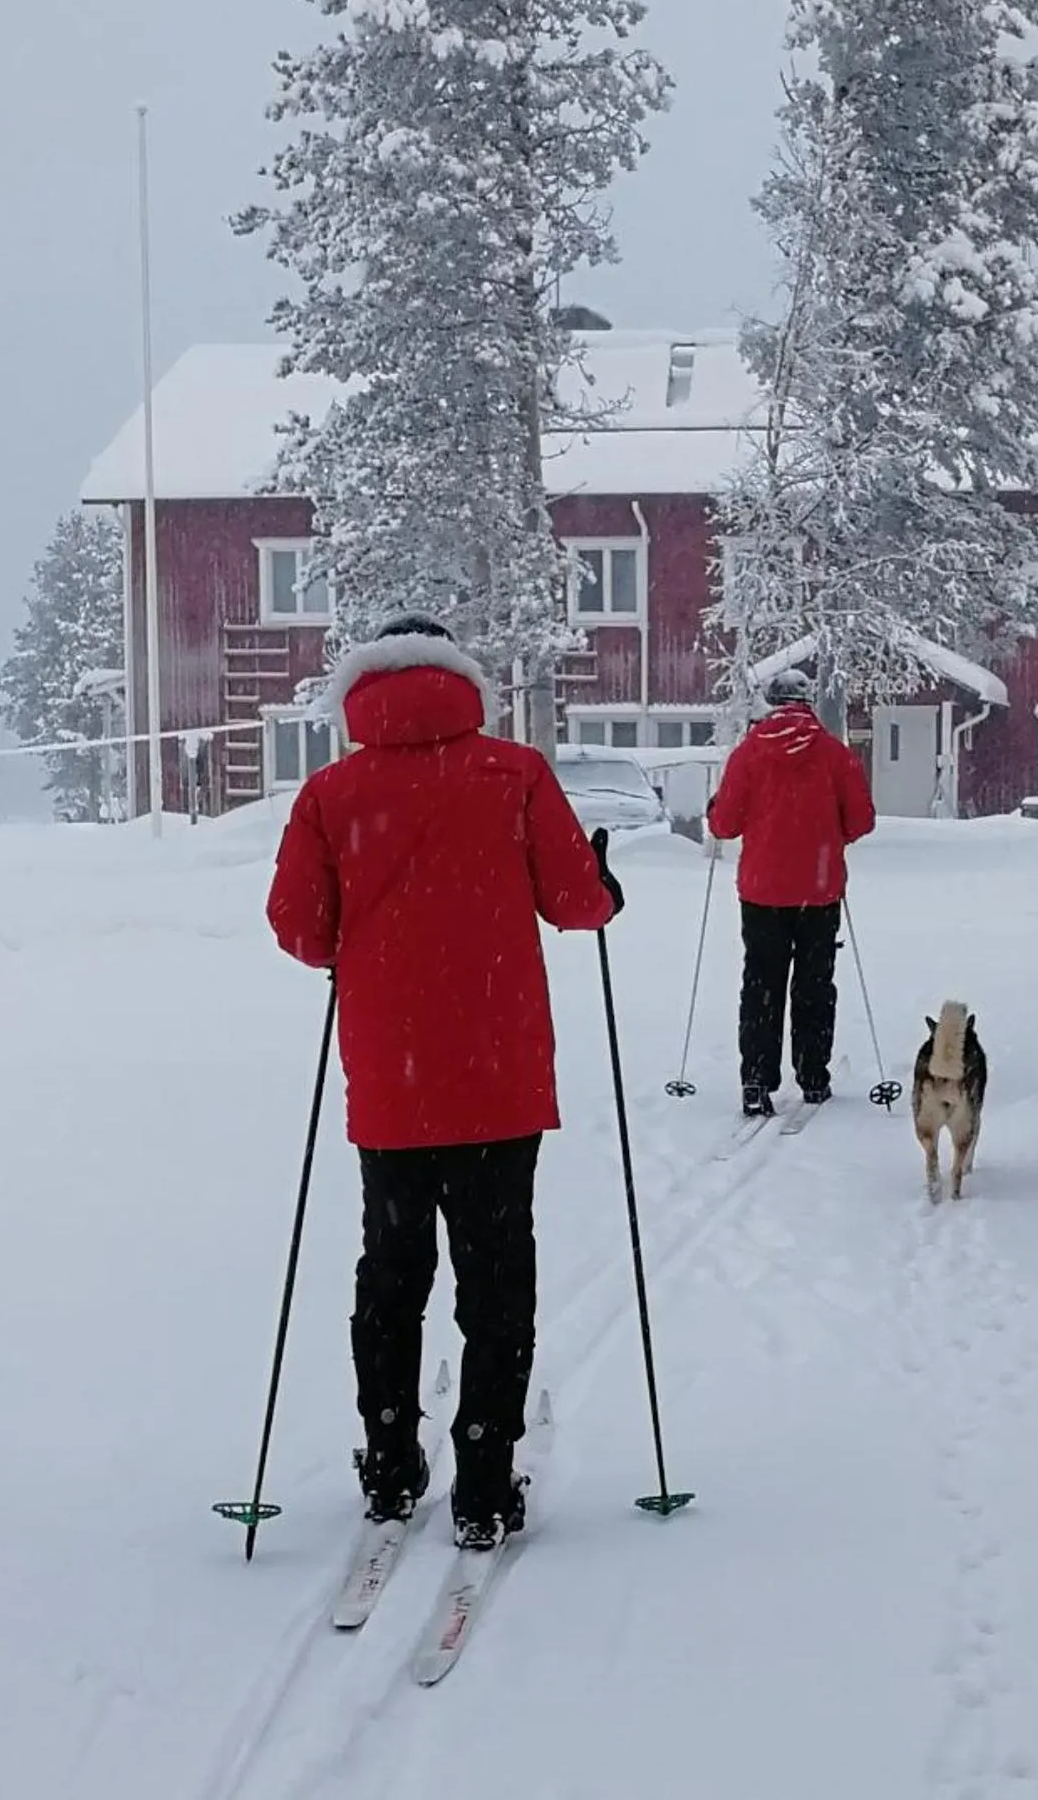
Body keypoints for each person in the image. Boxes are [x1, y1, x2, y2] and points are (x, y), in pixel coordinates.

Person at [266, 614, 623, 1551]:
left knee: (392, 1272)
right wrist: (603, 880)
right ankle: (484, 1478)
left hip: (392, 1079)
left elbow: (301, 931)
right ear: (462, 681)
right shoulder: (512, 774)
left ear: (364, 688)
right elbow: (578, 904)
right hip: (499, 1078)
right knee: (496, 1279)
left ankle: (388, 1465)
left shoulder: (331, 793)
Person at [705, 669, 876, 1117]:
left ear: (771, 702)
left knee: (761, 983)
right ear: (807, 702)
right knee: (815, 984)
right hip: (819, 891)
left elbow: (725, 824)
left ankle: (757, 1081)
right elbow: (860, 821)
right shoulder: (836, 755)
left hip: (762, 892)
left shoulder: (748, 755)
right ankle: (814, 1077)